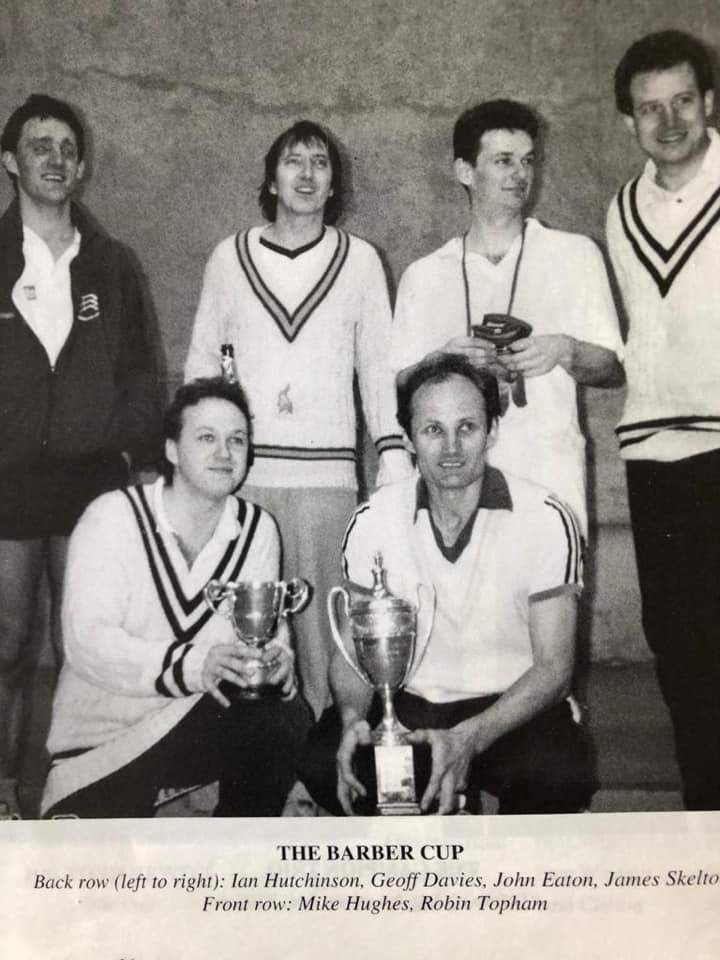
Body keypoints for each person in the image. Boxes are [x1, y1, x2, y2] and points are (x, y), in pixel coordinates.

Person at [300, 354, 592, 816]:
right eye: (433, 430)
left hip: (507, 711)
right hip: (408, 708)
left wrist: (468, 739)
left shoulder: (547, 517)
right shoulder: (373, 521)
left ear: (492, 431)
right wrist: (355, 719)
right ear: (407, 439)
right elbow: (354, 655)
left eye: (467, 427)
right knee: (324, 763)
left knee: (559, 775)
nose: (451, 447)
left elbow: (554, 669)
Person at [185, 120, 410, 717]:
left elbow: (377, 365)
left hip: (327, 480)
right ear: (271, 177)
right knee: (241, 638)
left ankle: (323, 771)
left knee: (322, 641)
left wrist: (391, 451)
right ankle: (248, 777)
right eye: (293, 161)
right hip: (247, 479)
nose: (307, 174)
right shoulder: (228, 258)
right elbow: (203, 366)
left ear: (335, 183)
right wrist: (196, 461)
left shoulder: (360, 260)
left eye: (320, 163)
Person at [41, 378, 311, 818]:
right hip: (101, 746)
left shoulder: (257, 527)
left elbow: (264, 637)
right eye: (206, 438)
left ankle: (239, 858)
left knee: (282, 715)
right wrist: (191, 664)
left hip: (192, 728)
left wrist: (278, 660)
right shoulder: (112, 516)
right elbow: (85, 643)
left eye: (236, 440)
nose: (224, 453)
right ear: (171, 450)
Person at [0, 95, 161, 803]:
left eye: (68, 147)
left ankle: (82, 787)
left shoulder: (113, 263)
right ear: (11, 161)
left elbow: (139, 373)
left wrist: (129, 459)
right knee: (5, 644)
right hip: (6, 482)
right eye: (40, 146)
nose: (56, 159)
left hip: (91, 483)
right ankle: (4, 789)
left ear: (83, 165)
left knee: (83, 648)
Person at [391, 99, 623, 538]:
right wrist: (440, 362)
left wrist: (564, 350)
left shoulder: (575, 254)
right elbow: (401, 386)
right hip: (457, 481)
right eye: (503, 161)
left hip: (548, 475)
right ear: (464, 170)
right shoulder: (423, 275)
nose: (520, 174)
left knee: (551, 605)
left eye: (528, 161)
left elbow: (612, 368)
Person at [606, 30, 720, 810]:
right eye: (650, 109)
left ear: (710, 102)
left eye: (684, 101)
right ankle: (705, 816)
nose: (669, 120)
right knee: (680, 650)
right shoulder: (619, 211)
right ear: (628, 124)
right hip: (654, 456)